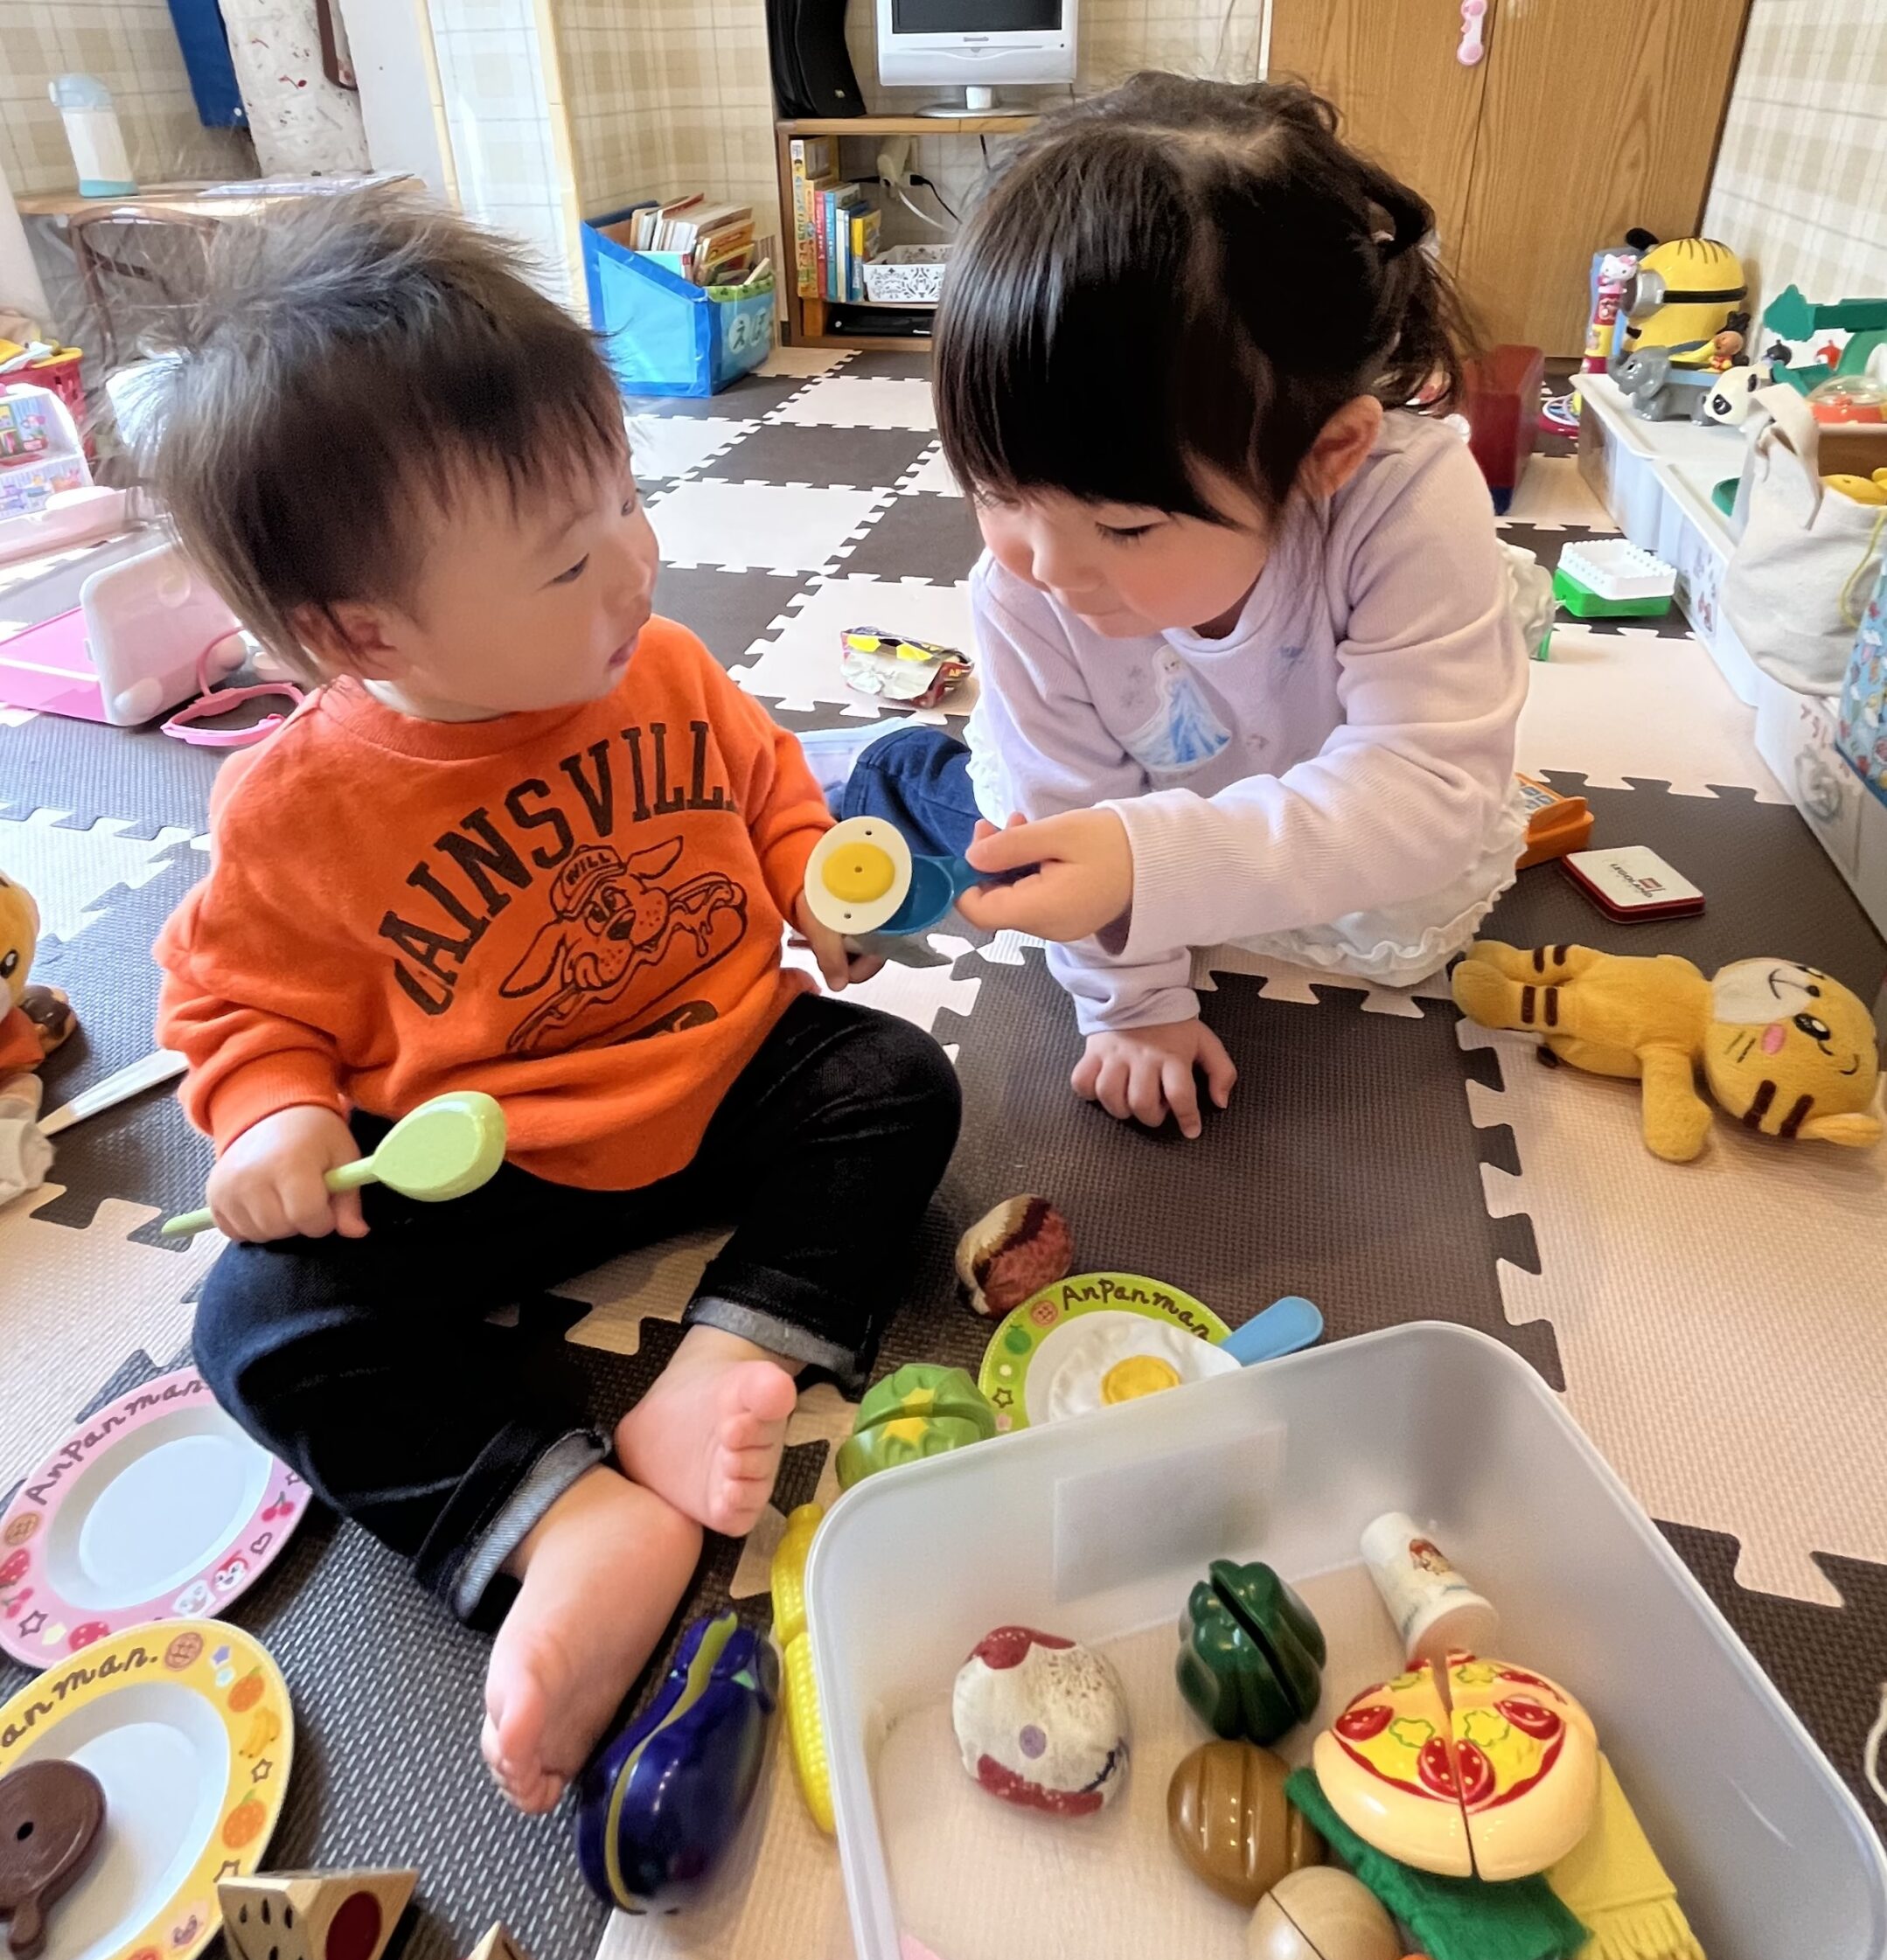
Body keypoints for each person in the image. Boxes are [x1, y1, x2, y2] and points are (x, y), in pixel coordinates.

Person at [149, 198, 961, 1811]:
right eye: (569, 558)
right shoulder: (299, 810)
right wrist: (277, 1117)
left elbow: (768, 792)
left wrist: (812, 889)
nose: (636, 564)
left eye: (629, 501)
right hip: (488, 1155)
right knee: (253, 1325)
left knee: (895, 1084)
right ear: (360, 633)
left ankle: (723, 1356)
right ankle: (565, 1517)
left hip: (719, 1073)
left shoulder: (660, 666)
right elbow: (234, 1003)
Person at [836, 76, 1527, 1139]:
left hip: (1314, 803)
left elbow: (1425, 787)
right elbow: (1066, 812)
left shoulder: (1408, 504)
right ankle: (894, 765)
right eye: (994, 490)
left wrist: (1147, 863)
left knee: (1394, 939)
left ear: (1326, 454)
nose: (1046, 566)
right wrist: (1135, 1004)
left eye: (1123, 527)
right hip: (1114, 789)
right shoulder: (1024, 584)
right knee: (1001, 844)